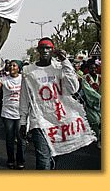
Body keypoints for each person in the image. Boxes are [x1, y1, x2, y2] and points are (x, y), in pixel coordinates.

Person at [19, 37, 96, 170]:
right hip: (39, 121)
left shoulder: (60, 68)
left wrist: (65, 62)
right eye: (42, 48)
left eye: (48, 48)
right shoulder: (28, 71)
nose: (45, 50)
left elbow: (73, 88)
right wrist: (22, 122)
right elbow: (25, 98)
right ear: (38, 50)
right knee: (43, 161)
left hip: (60, 122)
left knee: (55, 157)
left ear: (53, 50)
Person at [0, 59, 25, 169]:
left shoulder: (23, 79)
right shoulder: (4, 79)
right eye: (10, 66)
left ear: (19, 68)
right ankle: (10, 160)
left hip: (20, 114)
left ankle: (20, 161)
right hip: (7, 113)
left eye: (14, 66)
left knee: (20, 139)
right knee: (9, 139)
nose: (12, 67)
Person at [81, 63, 101, 148]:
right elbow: (88, 90)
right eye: (91, 68)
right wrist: (99, 97)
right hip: (90, 103)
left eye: (95, 68)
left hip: (101, 104)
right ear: (88, 69)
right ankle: (97, 137)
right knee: (95, 121)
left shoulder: (100, 77)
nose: (93, 70)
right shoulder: (85, 78)